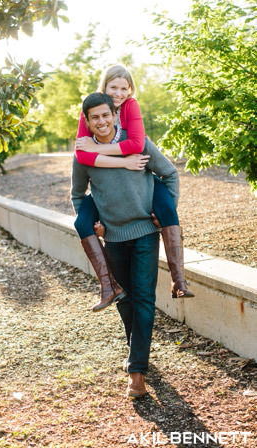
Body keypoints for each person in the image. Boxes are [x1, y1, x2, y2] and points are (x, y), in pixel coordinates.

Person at [71, 92, 179, 398]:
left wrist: (165, 211)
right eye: (95, 117)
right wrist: (92, 221)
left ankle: (136, 371)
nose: (102, 121)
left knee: (144, 298)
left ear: (115, 115)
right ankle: (138, 353)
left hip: (145, 232)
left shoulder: (138, 142)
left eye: (106, 115)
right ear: (88, 122)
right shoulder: (83, 155)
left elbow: (170, 174)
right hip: (113, 236)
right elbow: (78, 195)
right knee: (125, 298)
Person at [72, 64, 194, 313]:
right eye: (113, 87)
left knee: (168, 209)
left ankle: (179, 280)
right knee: (81, 223)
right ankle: (108, 286)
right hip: (107, 198)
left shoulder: (130, 106)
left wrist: (115, 155)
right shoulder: (92, 110)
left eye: (123, 88)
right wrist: (121, 161)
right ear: (104, 87)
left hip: (143, 180)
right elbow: (82, 156)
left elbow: (137, 144)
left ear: (130, 90)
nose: (118, 93)